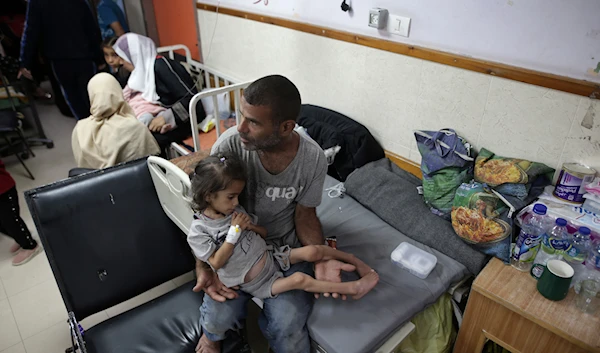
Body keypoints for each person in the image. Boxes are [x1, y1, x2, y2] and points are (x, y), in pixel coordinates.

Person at [194, 75, 361, 353]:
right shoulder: (230, 146)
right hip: (233, 248)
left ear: (285, 127)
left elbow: (305, 215)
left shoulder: (312, 159)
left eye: (253, 122)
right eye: (241, 116)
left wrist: (321, 256)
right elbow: (205, 212)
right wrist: (205, 267)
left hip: (284, 251)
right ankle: (211, 338)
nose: (241, 127)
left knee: (288, 322)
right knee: (218, 315)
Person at [188, 154, 378, 301]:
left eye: (238, 195)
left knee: (314, 251)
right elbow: (215, 263)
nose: (236, 201)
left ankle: (355, 260)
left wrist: (249, 227)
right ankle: (355, 288)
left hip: (271, 255)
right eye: (231, 197)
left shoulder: (235, 211)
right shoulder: (200, 230)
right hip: (258, 282)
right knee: (300, 280)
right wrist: (235, 231)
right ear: (208, 195)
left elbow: (264, 233)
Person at [113, 33, 206, 151]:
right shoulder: (144, 71)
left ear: (135, 54)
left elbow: (192, 100)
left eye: (123, 57)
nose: (121, 63)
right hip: (163, 116)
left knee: (144, 139)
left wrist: (165, 118)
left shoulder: (161, 66)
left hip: (187, 119)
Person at [19, 0, 103, 120]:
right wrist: (99, 57)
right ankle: (101, 126)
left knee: (73, 97)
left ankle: (86, 128)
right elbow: (90, 27)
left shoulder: (37, 2)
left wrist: (25, 61)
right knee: (92, 94)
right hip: (83, 53)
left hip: (59, 57)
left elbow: (31, 31)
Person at [71, 72, 160, 169]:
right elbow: (153, 163)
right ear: (118, 93)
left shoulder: (79, 129)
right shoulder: (134, 127)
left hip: (94, 183)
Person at [0, 158, 42, 266]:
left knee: (11, 220)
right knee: (4, 223)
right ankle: (21, 236)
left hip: (3, 190)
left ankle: (30, 245)